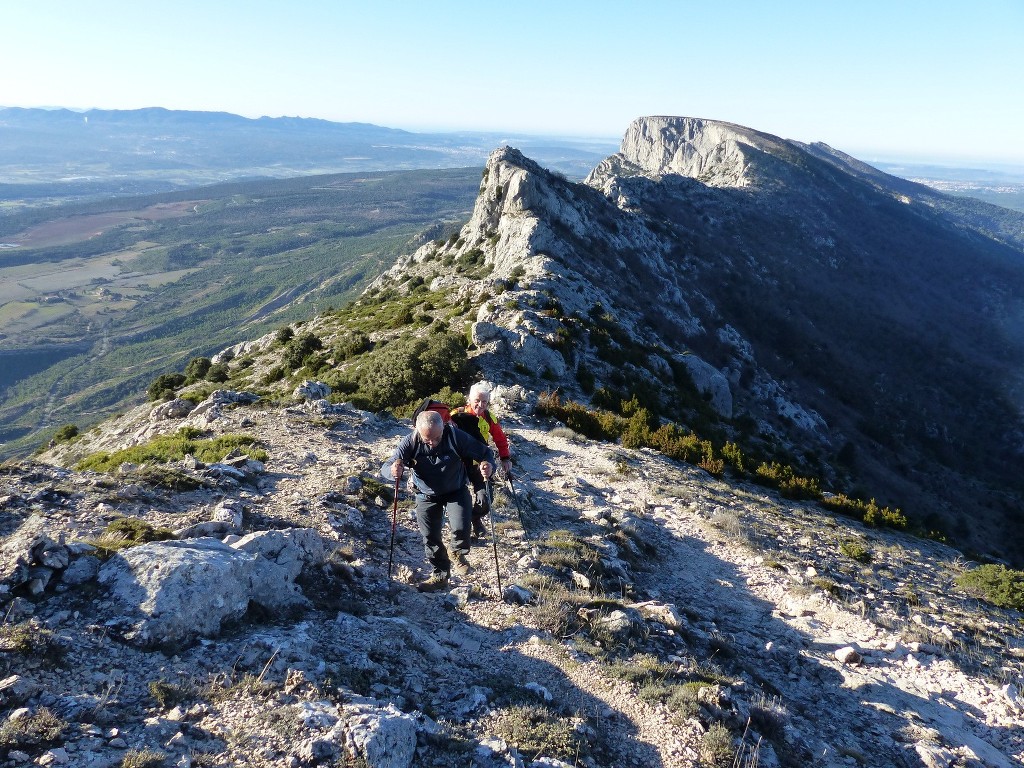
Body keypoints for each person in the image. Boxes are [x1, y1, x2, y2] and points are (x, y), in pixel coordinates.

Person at [382, 409, 495, 591]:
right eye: (427, 439)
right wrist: (393, 471)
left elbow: (485, 453)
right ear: (418, 431)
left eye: (436, 437)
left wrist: (488, 466)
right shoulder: (410, 442)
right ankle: (440, 576)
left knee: (461, 527)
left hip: (456, 490)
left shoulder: (455, 437)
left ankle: (456, 552)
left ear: (444, 428)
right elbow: (387, 467)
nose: (433, 443)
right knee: (430, 536)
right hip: (426, 495)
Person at [450, 382, 513, 542]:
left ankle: (475, 518)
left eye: (484, 402)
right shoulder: (456, 415)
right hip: (459, 464)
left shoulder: (489, 418)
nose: (480, 404)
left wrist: (505, 458)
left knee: (486, 499)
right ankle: (462, 535)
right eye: (477, 400)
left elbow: (500, 438)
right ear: (469, 399)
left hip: (480, 464)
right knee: (460, 501)